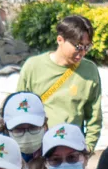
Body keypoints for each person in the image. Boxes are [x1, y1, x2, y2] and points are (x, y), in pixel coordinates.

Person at [17, 15, 102, 150]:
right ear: (60, 40)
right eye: (78, 47)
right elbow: (18, 109)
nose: (82, 53)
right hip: (36, 149)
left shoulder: (89, 71)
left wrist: (87, 150)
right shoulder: (33, 66)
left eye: (87, 47)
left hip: (71, 152)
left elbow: (94, 118)